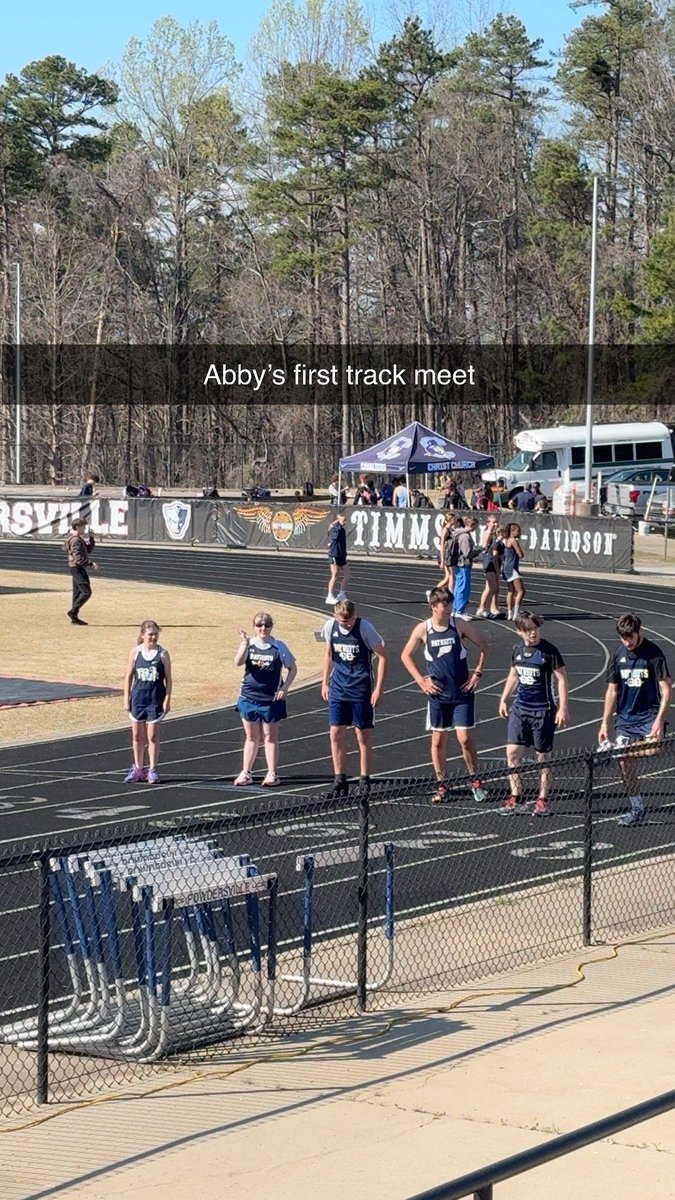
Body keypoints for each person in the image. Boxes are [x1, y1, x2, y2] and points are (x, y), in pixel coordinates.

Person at [401, 586, 489, 804]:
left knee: (464, 738)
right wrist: (421, 680)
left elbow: (484, 646)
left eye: (450, 604)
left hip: (462, 691)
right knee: (439, 740)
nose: (448, 608)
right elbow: (405, 655)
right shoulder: (424, 629)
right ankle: (441, 784)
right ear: (433, 607)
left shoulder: (459, 624)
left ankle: (475, 780)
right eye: (444, 605)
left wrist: (477, 673)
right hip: (438, 694)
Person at [599, 613, 672, 826]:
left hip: (649, 714)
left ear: (639, 632)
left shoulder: (653, 654)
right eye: (623, 638)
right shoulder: (618, 655)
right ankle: (637, 806)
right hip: (625, 717)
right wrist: (604, 722)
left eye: (630, 637)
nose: (627, 642)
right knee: (625, 764)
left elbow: (666, 689)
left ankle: (616, 750)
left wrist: (660, 718)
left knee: (655, 748)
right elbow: (612, 690)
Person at [498, 613, 569, 815]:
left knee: (542, 756)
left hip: (542, 710)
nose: (533, 633)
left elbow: (562, 679)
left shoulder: (549, 651)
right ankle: (515, 795)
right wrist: (504, 698)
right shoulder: (517, 650)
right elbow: (513, 675)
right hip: (520, 709)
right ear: (519, 631)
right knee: (512, 752)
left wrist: (563, 707)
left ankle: (542, 798)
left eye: (535, 628)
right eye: (528, 629)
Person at [321, 599, 387, 798]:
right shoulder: (330, 627)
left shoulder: (365, 628)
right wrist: (324, 682)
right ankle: (339, 780)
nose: (346, 624)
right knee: (336, 733)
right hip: (339, 688)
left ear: (354, 617)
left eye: (349, 621)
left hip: (361, 688)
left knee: (362, 734)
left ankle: (364, 779)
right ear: (335, 617)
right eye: (343, 621)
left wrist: (378, 689)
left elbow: (383, 656)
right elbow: (328, 653)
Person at [233, 611, 298, 787]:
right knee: (251, 737)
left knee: (270, 736)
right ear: (254, 627)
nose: (263, 628)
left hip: (270, 700)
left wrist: (285, 688)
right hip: (248, 697)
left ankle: (272, 773)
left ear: (271, 627)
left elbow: (292, 668)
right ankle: (246, 772)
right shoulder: (249, 644)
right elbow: (238, 662)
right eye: (259, 625)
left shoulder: (279, 647)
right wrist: (244, 643)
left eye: (266, 625)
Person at [123, 620, 173, 784]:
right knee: (137, 735)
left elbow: (168, 679)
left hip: (155, 699)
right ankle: (138, 768)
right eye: (150, 634)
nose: (153, 637)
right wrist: (126, 698)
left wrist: (167, 699)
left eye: (155, 634)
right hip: (138, 698)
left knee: (152, 736)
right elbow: (129, 676)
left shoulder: (163, 654)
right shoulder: (135, 652)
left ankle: (152, 769)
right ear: (143, 635)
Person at [63, 517, 99, 626]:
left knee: (77, 593)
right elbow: (78, 557)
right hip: (77, 568)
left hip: (76, 567)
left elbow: (86, 550)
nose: (85, 529)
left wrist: (91, 539)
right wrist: (91, 564)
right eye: (83, 526)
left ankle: (74, 618)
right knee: (86, 592)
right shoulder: (75, 540)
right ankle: (73, 612)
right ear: (77, 527)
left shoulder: (75, 539)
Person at [447, 517, 476, 619]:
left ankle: (456, 608)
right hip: (463, 563)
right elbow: (467, 553)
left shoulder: (460, 533)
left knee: (459, 586)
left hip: (460, 563)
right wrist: (479, 551)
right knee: (462, 587)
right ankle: (459, 610)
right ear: (471, 525)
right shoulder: (464, 536)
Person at [475, 515, 503, 619]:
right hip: (489, 561)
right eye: (493, 522)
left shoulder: (494, 534)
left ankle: (487, 608)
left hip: (493, 561)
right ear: (488, 523)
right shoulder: (488, 533)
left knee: (491, 587)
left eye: (496, 522)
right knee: (492, 587)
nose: (496, 524)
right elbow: (485, 547)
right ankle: (482, 608)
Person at [502, 523, 526, 621]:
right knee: (521, 591)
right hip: (512, 568)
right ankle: (516, 612)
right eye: (518, 531)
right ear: (513, 532)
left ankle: (510, 612)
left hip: (506, 567)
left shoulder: (506, 540)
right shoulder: (513, 540)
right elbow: (520, 554)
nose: (520, 533)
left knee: (511, 591)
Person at [326, 512, 349, 604]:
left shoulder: (342, 530)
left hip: (341, 555)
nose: (345, 522)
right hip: (334, 555)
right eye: (344, 520)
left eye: (346, 520)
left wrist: (344, 553)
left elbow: (343, 542)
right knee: (335, 575)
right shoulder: (334, 529)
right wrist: (336, 525)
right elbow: (335, 537)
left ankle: (342, 594)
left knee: (347, 575)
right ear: (338, 520)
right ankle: (330, 596)